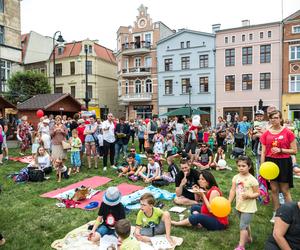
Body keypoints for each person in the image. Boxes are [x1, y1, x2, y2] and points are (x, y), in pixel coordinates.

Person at [260, 110, 297, 223]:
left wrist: (281, 150)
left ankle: (292, 215)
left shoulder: (288, 132)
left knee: (285, 190)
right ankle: (276, 214)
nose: (273, 120)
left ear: (281, 119)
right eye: (271, 118)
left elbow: (294, 151)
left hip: (284, 162)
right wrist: (262, 166)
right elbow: (263, 151)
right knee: (274, 189)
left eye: (276, 117)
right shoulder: (266, 133)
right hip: (270, 163)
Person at [228, 156, 260, 250]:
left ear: (249, 167)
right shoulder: (236, 177)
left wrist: (249, 196)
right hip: (239, 206)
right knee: (245, 224)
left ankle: (241, 246)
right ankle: (249, 238)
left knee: (242, 226)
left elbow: (258, 193)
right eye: (239, 166)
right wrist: (229, 202)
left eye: (243, 166)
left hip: (248, 207)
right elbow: (233, 190)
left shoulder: (252, 179)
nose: (241, 168)